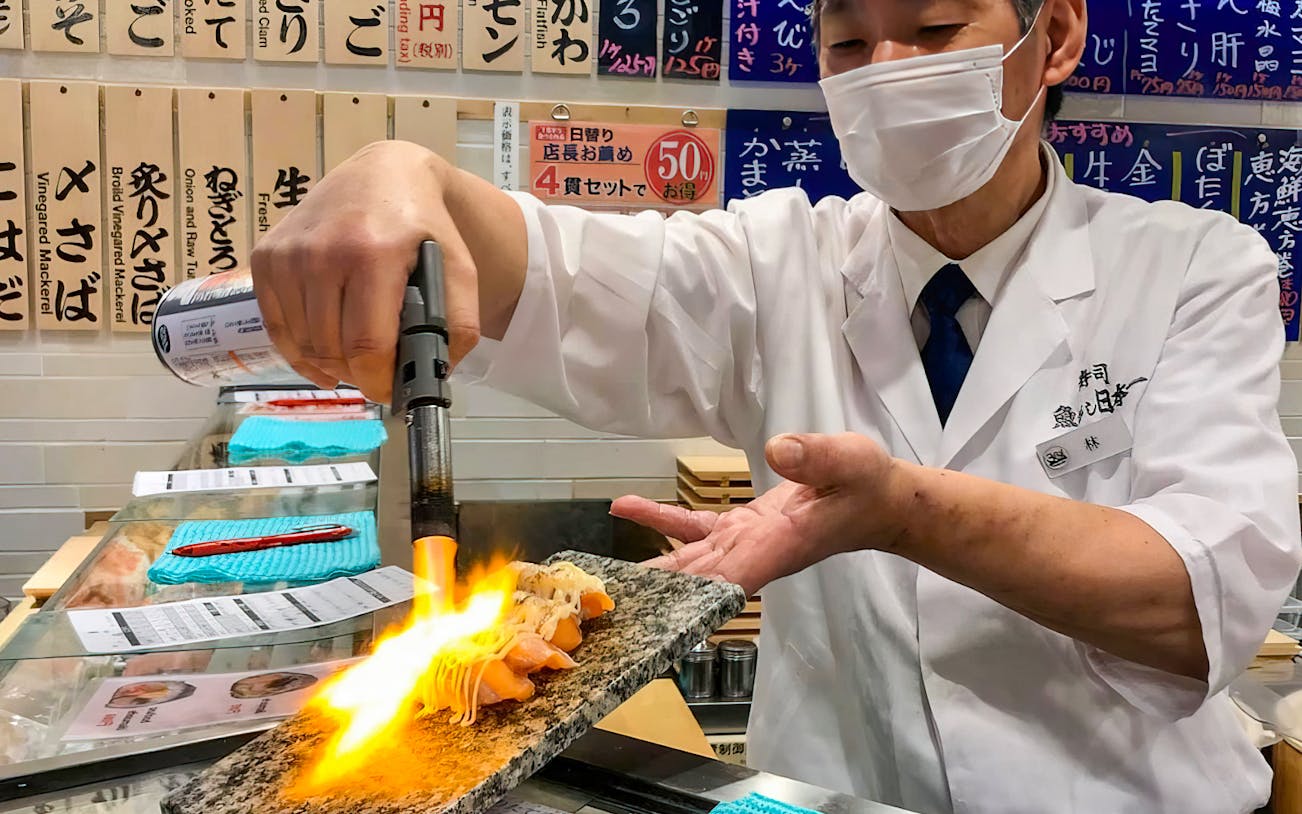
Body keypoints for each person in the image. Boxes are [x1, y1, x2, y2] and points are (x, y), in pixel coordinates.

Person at [250, 0, 1302, 810]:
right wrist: (402, 172)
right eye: (847, 44)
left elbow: (1196, 602)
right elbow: (553, 272)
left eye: (935, 28)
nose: (889, 73)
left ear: (1056, 33)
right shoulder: (778, 261)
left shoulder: (1197, 270)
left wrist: (903, 511)